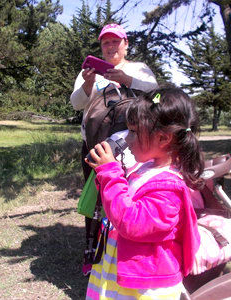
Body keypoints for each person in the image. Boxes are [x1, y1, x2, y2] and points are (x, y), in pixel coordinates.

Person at [85, 84, 202, 299]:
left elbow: (130, 222)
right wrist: (103, 176)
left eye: (134, 132)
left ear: (163, 138)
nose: (127, 138)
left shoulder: (169, 188)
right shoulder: (144, 168)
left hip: (145, 287)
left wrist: (110, 174)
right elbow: (119, 202)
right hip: (122, 270)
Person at [70, 23, 158, 275]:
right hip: (95, 148)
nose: (111, 47)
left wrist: (128, 80)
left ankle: (126, 252)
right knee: (95, 200)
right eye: (105, 42)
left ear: (126, 44)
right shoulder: (90, 72)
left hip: (133, 147)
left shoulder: (139, 69)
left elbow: (157, 94)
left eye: (115, 42)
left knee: (129, 197)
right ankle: (92, 251)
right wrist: (88, 85)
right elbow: (76, 103)